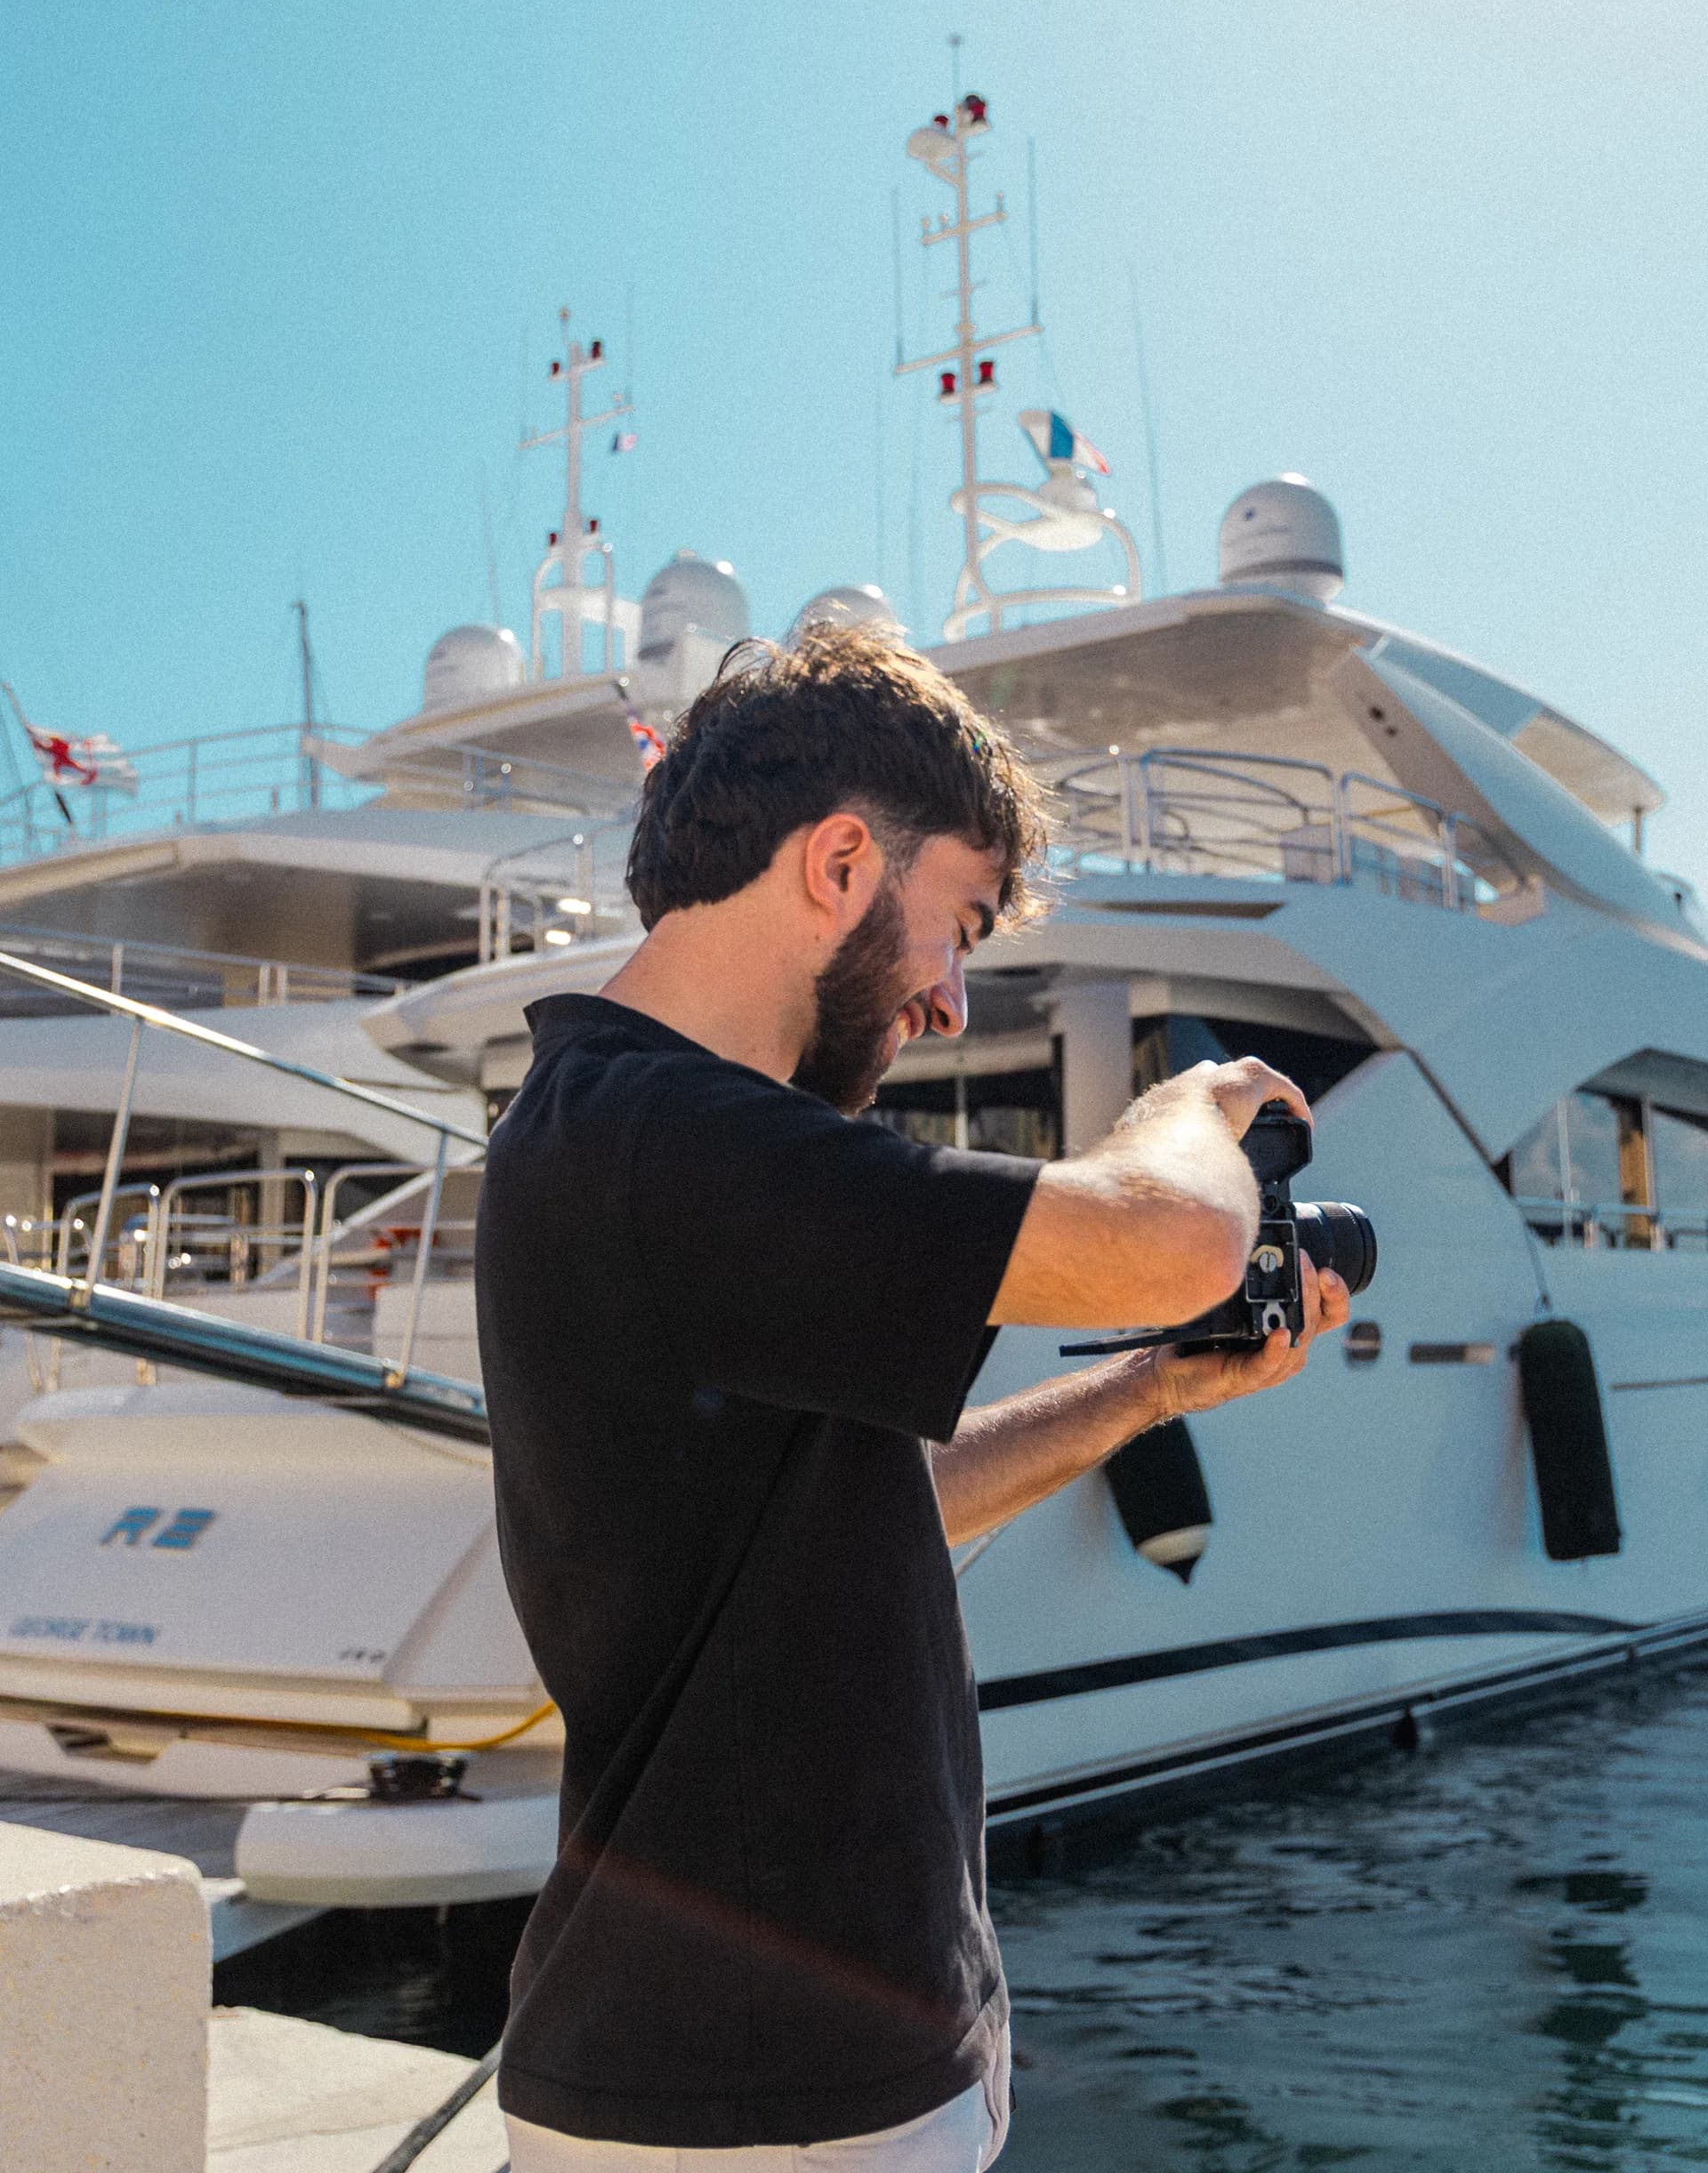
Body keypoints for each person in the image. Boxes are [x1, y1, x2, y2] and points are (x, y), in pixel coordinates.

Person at [475, 624, 1349, 2172]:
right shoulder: (664, 1138)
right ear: (837, 864)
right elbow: (1177, 1238)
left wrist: (1145, 1394)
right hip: (761, 2098)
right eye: (960, 924)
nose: (948, 999)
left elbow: (872, 1506)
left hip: (749, 2078)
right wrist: (1195, 1101)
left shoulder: (645, 1133)